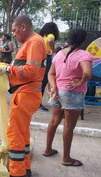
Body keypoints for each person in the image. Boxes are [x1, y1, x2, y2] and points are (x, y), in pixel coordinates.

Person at [0, 16, 47, 177]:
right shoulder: (33, 42)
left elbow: (31, 71)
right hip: (27, 92)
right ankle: (25, 168)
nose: (13, 33)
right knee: (23, 132)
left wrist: (9, 68)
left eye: (15, 30)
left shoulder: (34, 42)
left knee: (15, 133)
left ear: (23, 27)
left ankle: (17, 174)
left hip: (26, 93)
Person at [43, 28, 93, 167]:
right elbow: (88, 73)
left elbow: (51, 74)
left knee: (54, 121)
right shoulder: (83, 55)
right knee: (68, 126)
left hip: (57, 92)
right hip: (72, 93)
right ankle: (66, 158)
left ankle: (48, 149)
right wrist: (80, 81)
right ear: (83, 41)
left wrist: (53, 86)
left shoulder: (59, 54)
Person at [39, 22, 60, 111]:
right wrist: (53, 49)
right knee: (44, 81)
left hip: (40, 58)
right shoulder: (51, 35)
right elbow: (50, 40)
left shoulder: (42, 36)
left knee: (39, 81)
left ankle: (36, 102)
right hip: (46, 58)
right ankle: (38, 104)